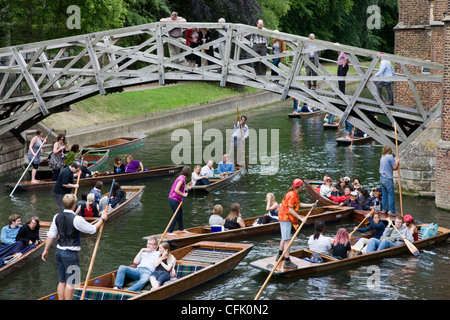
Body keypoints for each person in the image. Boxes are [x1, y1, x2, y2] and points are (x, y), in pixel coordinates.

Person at [42, 193, 108, 300]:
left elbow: (51, 235)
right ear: (74, 205)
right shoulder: (76, 219)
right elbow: (92, 230)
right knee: (71, 283)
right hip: (71, 255)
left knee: (62, 281)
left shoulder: (56, 217)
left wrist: (45, 250)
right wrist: (102, 219)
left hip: (59, 253)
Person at [277, 179, 313, 269]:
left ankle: (279, 255)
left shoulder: (294, 194)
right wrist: (300, 218)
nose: (302, 188)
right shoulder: (292, 195)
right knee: (287, 240)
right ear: (300, 186)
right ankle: (287, 261)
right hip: (285, 218)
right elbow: (290, 210)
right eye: (302, 186)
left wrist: (311, 205)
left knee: (284, 238)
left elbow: (298, 204)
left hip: (285, 217)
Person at [167, 166, 191, 235]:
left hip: (176, 199)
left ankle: (181, 229)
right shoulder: (181, 179)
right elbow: (176, 190)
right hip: (173, 199)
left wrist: (186, 189)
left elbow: (180, 189)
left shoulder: (181, 177)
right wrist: (184, 195)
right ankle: (169, 231)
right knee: (176, 215)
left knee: (180, 214)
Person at [379, 145, 400, 215]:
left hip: (381, 178)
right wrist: (397, 161)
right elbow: (394, 166)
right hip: (388, 179)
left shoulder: (382, 157)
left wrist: (396, 165)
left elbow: (393, 168)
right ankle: (391, 211)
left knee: (384, 194)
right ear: (390, 150)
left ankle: (384, 209)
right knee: (391, 195)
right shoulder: (390, 157)